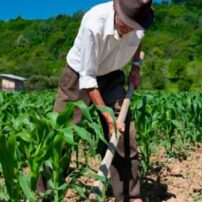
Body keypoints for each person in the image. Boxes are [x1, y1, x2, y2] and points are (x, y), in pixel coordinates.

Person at [51, 0, 154, 201]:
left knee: (124, 132)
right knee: (61, 134)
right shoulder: (93, 23)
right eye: (124, 23)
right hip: (79, 75)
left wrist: (135, 67)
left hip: (112, 74)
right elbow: (87, 79)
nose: (128, 29)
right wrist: (106, 114)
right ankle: (45, 191)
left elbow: (138, 41)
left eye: (132, 26)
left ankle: (129, 195)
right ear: (116, 7)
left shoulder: (140, 19)